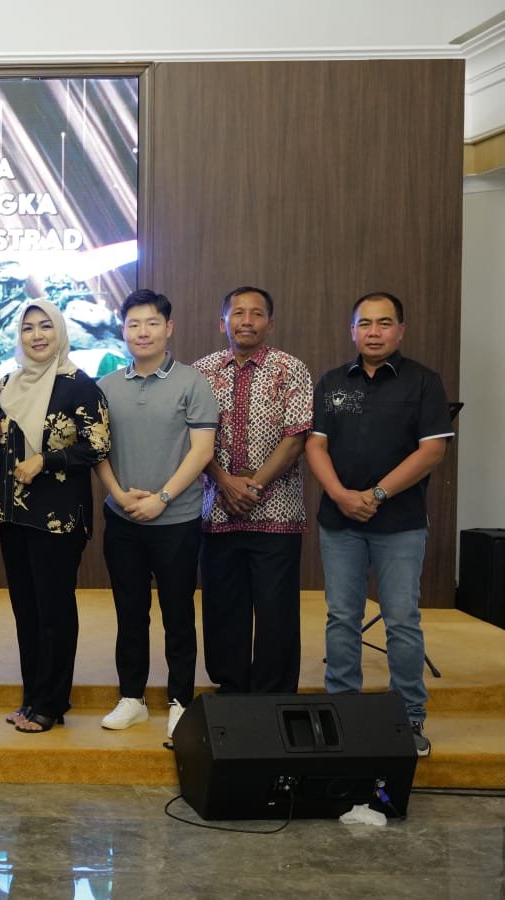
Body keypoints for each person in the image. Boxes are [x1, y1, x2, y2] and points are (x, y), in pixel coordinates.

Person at [306, 291, 452, 757]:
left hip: (400, 524)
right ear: (352, 330)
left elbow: (432, 450)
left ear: (400, 330)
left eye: (384, 323)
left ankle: (408, 718)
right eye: (364, 324)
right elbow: (315, 446)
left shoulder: (424, 382)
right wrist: (340, 495)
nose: (374, 332)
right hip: (340, 522)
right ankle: (342, 714)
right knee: (342, 618)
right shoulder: (332, 382)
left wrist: (376, 495)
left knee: (402, 620)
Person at [94, 289, 217, 738]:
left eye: (151, 323)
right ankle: (132, 698)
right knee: (130, 612)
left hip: (177, 520)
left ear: (169, 328)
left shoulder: (192, 383)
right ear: (123, 330)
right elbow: (98, 451)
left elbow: (202, 451)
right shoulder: (106, 386)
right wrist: (120, 496)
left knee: (178, 613)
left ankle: (181, 700)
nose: (142, 332)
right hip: (122, 519)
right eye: (133, 324)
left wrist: (161, 498)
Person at [0, 300, 110, 732]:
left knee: (54, 611)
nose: (37, 335)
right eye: (28, 328)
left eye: (45, 326)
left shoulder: (80, 385)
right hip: (13, 515)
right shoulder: (7, 384)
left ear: (59, 332)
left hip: (58, 519)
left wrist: (47, 460)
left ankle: (52, 703)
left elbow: (97, 445)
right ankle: (32, 698)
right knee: (26, 610)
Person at [194, 286, 312, 694]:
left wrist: (255, 485)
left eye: (257, 314)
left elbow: (296, 438)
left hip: (277, 513)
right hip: (217, 510)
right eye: (238, 313)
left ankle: (273, 698)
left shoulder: (290, 369)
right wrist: (225, 481)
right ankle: (231, 692)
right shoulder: (201, 372)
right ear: (222, 322)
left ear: (270, 323)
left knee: (276, 611)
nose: (247, 321)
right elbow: (192, 439)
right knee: (223, 608)